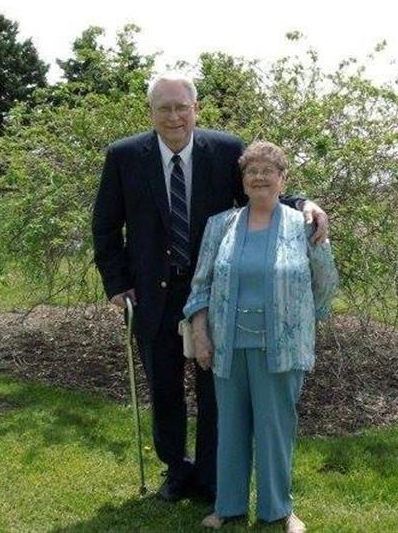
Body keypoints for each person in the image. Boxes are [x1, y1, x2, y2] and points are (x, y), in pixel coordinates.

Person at [92, 74, 329, 504]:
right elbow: (106, 225)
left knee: (216, 389)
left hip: (217, 291)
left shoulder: (223, 149)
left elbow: (260, 187)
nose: (174, 116)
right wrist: (117, 283)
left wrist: (303, 203)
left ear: (195, 109)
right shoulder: (124, 156)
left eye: (181, 107)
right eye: (164, 108)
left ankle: (212, 474)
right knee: (164, 388)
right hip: (152, 294)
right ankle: (175, 469)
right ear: (151, 112)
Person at [183, 142, 338, 532]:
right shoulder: (220, 225)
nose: (259, 177)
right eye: (251, 171)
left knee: (275, 429)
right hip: (228, 345)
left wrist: (300, 320)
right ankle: (228, 506)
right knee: (230, 428)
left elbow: (325, 282)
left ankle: (279, 510)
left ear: (283, 179)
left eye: (268, 170)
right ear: (243, 180)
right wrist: (201, 334)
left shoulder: (303, 225)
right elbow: (201, 285)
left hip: (281, 346)